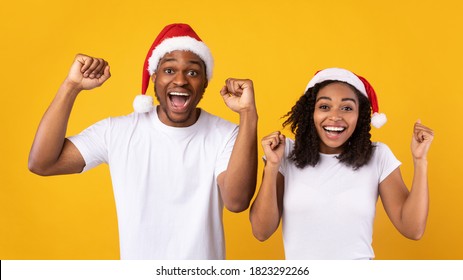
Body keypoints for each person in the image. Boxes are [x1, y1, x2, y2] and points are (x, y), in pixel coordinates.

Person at [28, 23, 258, 260]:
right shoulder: (117, 131)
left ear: (205, 83)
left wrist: (249, 114)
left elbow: (237, 201)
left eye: (192, 72)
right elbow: (42, 163)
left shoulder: (226, 134)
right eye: (169, 70)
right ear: (154, 77)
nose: (180, 80)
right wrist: (71, 87)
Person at [249, 67, 434, 260]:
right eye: (324, 107)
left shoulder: (378, 156)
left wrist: (420, 161)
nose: (335, 116)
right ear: (310, 113)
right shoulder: (285, 153)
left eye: (347, 108)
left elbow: (412, 229)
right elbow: (261, 231)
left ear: (360, 116)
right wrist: (272, 166)